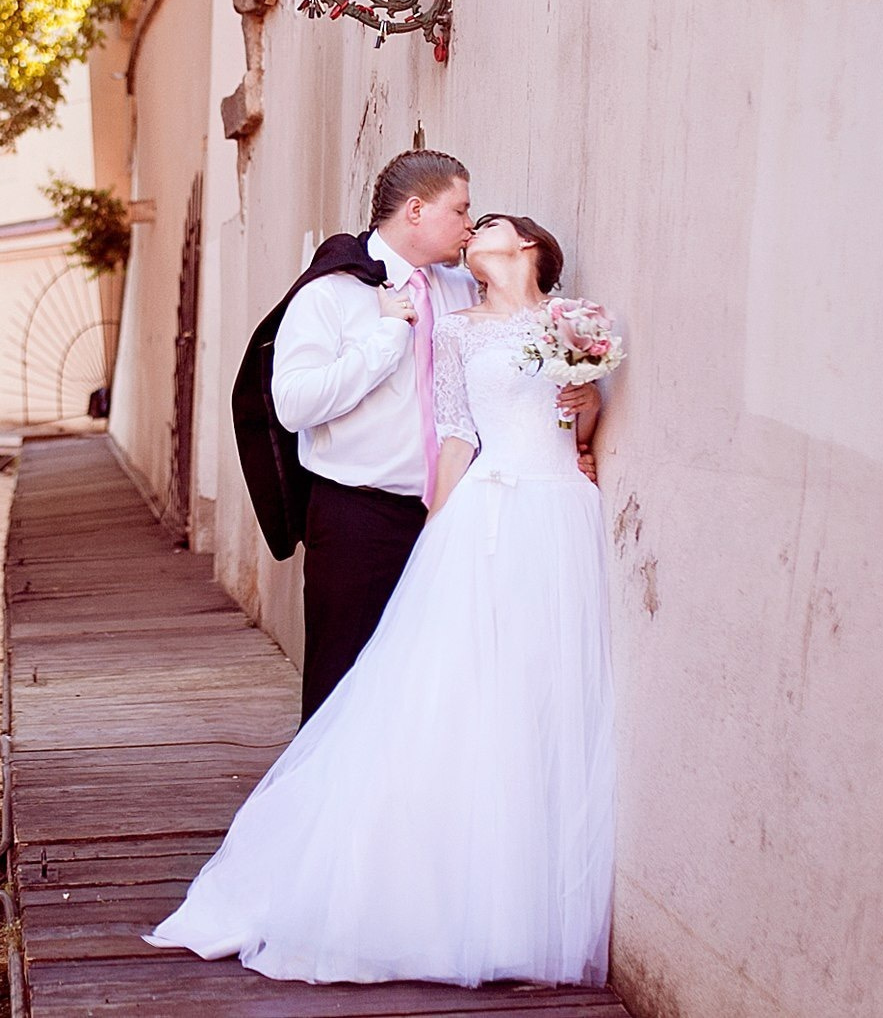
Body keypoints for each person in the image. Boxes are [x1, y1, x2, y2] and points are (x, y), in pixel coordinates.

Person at [150, 212, 616, 986]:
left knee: (544, 694)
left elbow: (584, 410)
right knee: (454, 692)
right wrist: (440, 529)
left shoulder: (576, 323)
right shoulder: (457, 328)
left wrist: (586, 412)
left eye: (486, 222)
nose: (471, 230)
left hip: (561, 511)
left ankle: (522, 891)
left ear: (529, 246)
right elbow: (458, 432)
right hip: (491, 510)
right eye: (465, 217)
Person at [233, 149, 596, 718]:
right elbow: (293, 405)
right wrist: (383, 340)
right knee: (342, 681)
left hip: (459, 520)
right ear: (417, 210)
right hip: (360, 517)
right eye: (461, 210)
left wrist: (568, 442)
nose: (470, 225)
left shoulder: (459, 288)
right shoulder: (330, 293)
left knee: (436, 691)